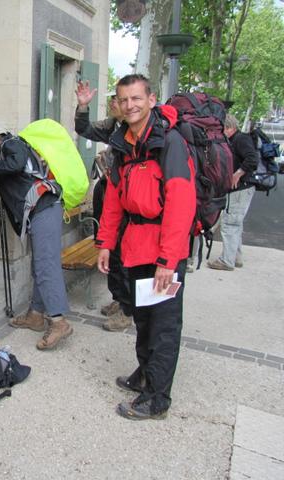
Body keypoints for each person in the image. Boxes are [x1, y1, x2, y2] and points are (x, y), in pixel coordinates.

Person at [96, 74, 196, 420]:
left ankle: (157, 397)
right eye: (124, 100)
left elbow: (181, 204)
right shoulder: (123, 145)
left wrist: (168, 260)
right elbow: (113, 200)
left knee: (163, 324)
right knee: (143, 318)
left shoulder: (170, 143)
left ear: (151, 99)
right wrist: (106, 243)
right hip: (136, 246)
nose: (130, 105)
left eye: (137, 98)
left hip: (165, 249)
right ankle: (145, 374)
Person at [0, 120, 73, 350]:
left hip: (45, 208)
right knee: (39, 265)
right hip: (40, 212)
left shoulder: (12, 144)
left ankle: (59, 322)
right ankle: (36, 315)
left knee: (46, 265)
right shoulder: (3, 151)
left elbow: (17, 165)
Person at [74, 83, 132, 332]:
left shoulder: (138, 132)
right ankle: (119, 300)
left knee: (125, 255)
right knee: (110, 249)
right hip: (109, 193)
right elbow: (84, 128)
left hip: (127, 201)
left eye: (116, 100)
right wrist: (83, 105)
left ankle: (128, 310)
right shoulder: (113, 125)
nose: (112, 103)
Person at [207, 114, 258, 271]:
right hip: (241, 188)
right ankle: (235, 257)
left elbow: (252, 159)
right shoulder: (237, 139)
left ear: (229, 128)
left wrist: (238, 173)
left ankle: (227, 261)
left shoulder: (241, 139)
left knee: (230, 224)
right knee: (235, 224)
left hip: (241, 188)